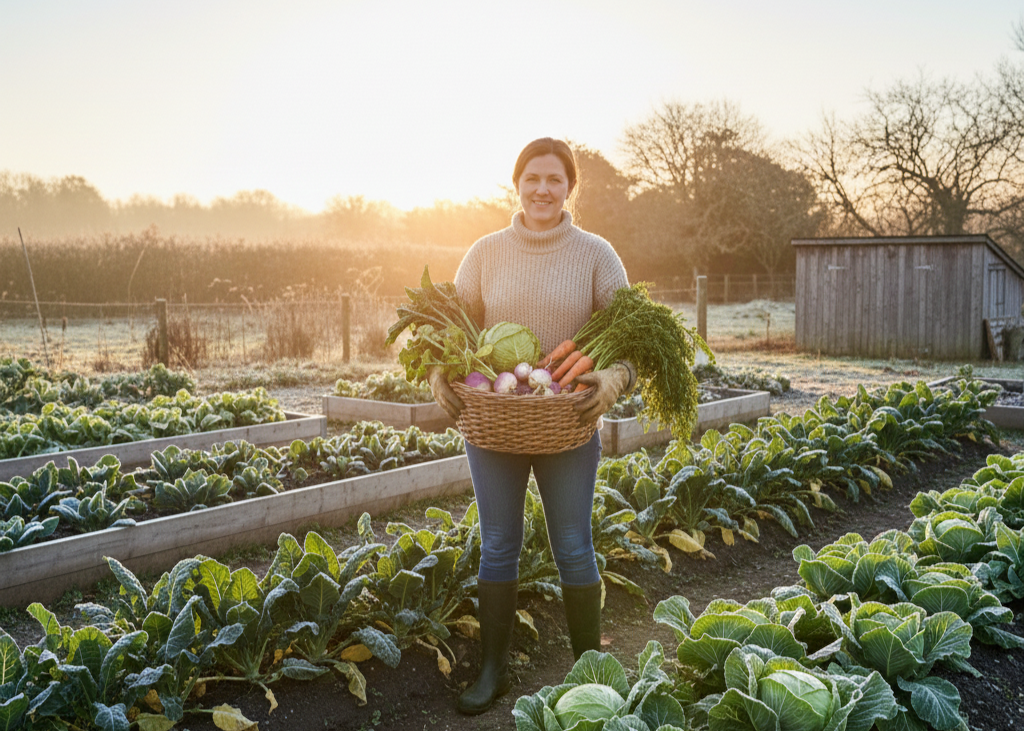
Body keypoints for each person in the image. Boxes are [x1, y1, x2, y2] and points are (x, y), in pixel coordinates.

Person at [427, 137, 637, 715]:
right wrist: (438, 374)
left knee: (573, 544)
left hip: (567, 421)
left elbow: (633, 341)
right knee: (497, 545)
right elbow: (449, 331)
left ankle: (586, 675)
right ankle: (493, 670)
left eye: (554, 180)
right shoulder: (484, 253)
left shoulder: (597, 254)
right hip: (495, 423)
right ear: (516, 185)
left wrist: (615, 377)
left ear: (571, 188)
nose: (543, 189)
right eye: (532, 179)